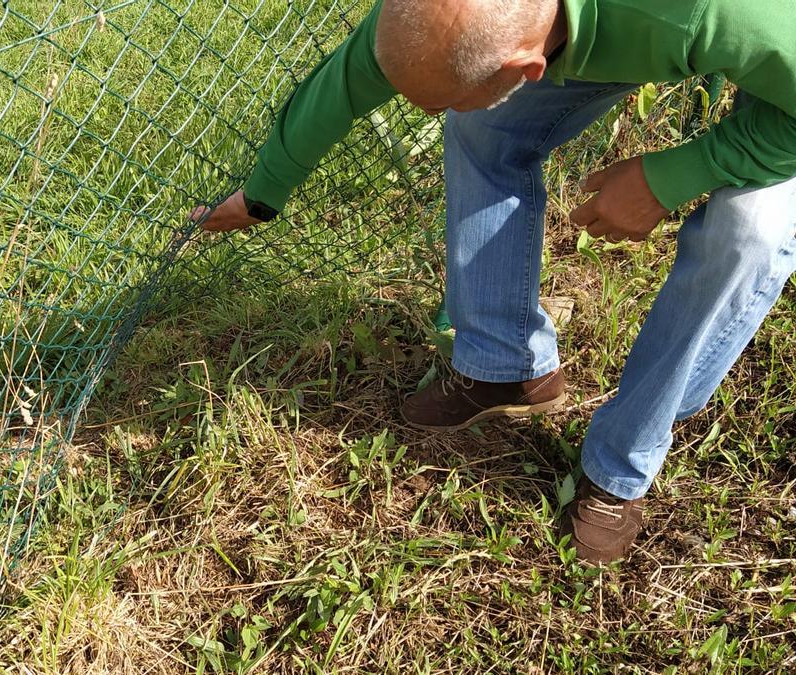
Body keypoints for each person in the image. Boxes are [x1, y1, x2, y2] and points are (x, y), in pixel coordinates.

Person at [191, 0, 796, 564]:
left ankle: (624, 463)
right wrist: (263, 193)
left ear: (527, 66)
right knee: (482, 126)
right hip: (632, 31)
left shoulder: (707, 14)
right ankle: (505, 365)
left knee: (747, 233)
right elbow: (351, 75)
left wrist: (676, 173)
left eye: (437, 101)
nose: (427, 113)